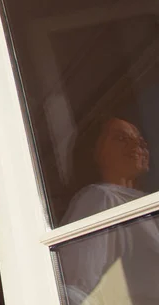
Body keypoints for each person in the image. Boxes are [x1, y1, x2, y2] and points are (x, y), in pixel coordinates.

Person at [59, 117, 159, 304]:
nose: (137, 145)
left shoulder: (148, 203)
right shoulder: (99, 198)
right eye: (121, 138)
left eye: (141, 141)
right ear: (94, 151)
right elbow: (76, 286)